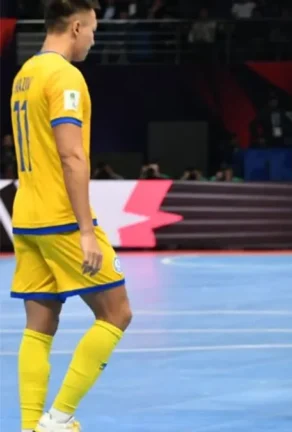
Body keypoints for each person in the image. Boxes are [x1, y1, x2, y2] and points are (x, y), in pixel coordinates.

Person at [9, 1, 133, 431]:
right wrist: (85, 229)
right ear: (76, 26)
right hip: (60, 216)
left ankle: (29, 426)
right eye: (94, 31)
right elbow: (71, 154)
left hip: (25, 216)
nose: (93, 39)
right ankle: (58, 419)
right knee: (117, 313)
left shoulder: (24, 75)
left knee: (40, 323)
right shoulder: (65, 76)